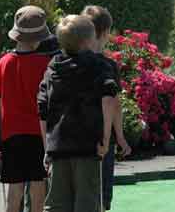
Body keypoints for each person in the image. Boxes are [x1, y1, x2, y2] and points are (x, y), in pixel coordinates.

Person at [38, 15, 119, 212]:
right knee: (87, 203)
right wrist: (106, 138)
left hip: (58, 146)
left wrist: (46, 147)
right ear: (89, 40)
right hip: (88, 145)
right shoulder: (99, 65)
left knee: (56, 204)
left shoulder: (53, 68)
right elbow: (108, 99)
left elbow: (42, 110)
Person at [0, 5, 54, 212]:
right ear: (40, 37)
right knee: (38, 184)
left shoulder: (3, 63)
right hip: (38, 133)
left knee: (14, 187)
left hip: (11, 133)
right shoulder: (47, 63)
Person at [80, 5, 131, 211]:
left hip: (73, 135)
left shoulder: (66, 62)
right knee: (100, 196)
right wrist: (118, 137)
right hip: (101, 137)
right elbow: (113, 104)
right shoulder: (107, 65)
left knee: (79, 194)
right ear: (106, 32)